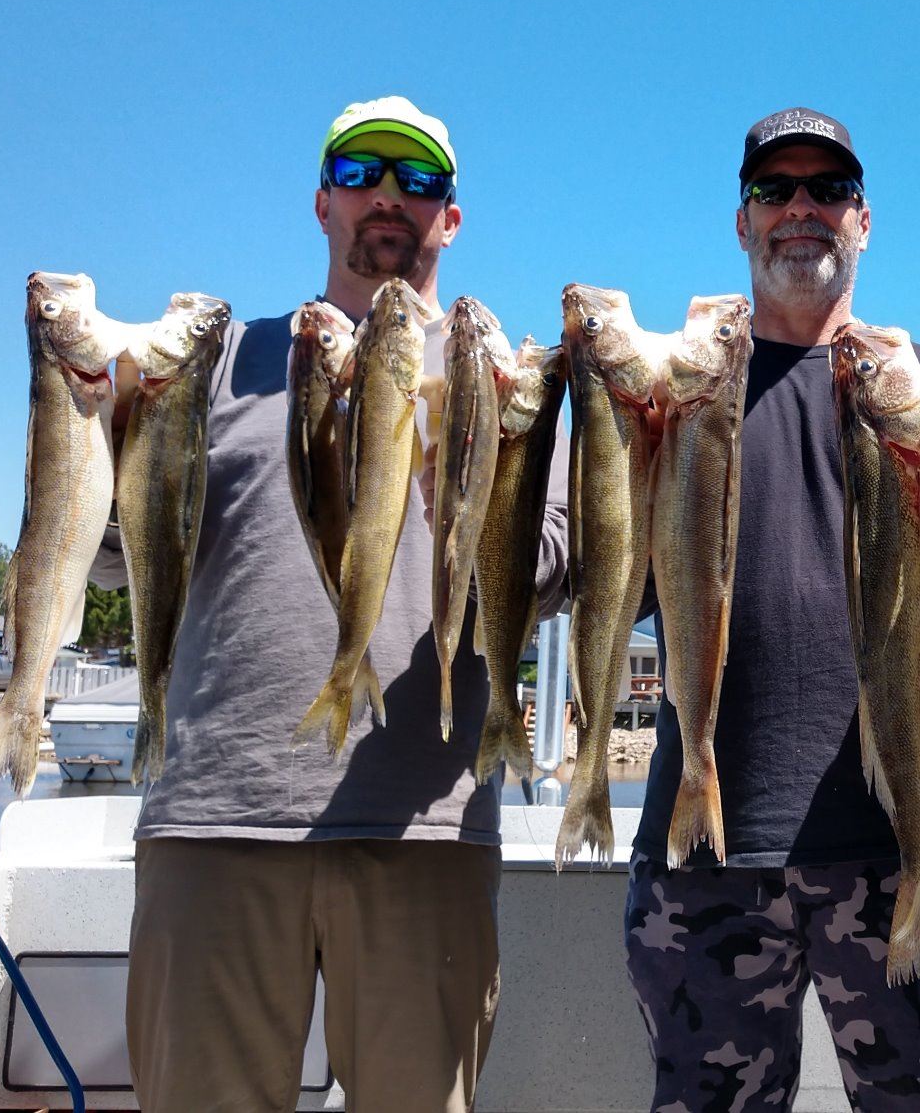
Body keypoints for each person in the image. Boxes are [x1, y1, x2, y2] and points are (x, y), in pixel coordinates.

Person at [100, 96, 569, 1112]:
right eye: (361, 174)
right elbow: (113, 560)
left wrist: (475, 499)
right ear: (321, 203)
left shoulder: (505, 380)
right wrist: (103, 437)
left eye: (419, 180)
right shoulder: (218, 364)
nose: (388, 198)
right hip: (215, 820)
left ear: (453, 216)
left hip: (424, 826)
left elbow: (554, 567)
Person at [623, 108, 920, 1111]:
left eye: (827, 190)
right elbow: (606, 580)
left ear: (863, 221)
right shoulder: (675, 393)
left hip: (902, 854)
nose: (802, 208)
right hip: (704, 862)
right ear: (741, 224)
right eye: (773, 190)